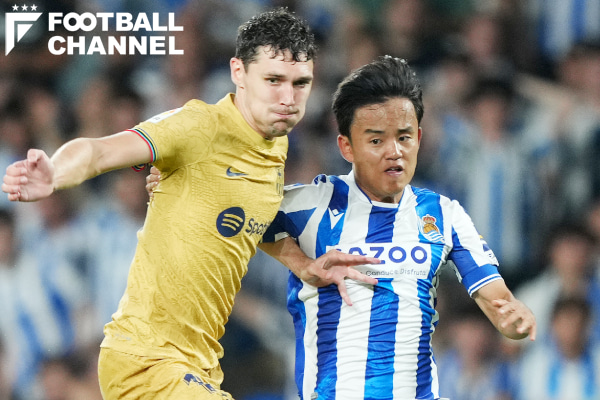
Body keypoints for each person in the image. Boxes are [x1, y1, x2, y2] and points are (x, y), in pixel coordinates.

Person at [2, 8, 379, 400]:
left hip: (198, 367)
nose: (288, 98)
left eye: (301, 83)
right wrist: (55, 173)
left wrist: (304, 266)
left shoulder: (275, 147)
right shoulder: (198, 126)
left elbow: (252, 219)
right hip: (146, 360)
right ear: (238, 73)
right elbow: (100, 151)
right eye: (273, 80)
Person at [259, 56, 536, 400]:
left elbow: (498, 299)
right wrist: (302, 265)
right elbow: (231, 212)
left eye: (404, 137)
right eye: (376, 141)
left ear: (418, 137)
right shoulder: (313, 203)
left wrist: (513, 319)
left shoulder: (443, 214)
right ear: (347, 146)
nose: (394, 152)